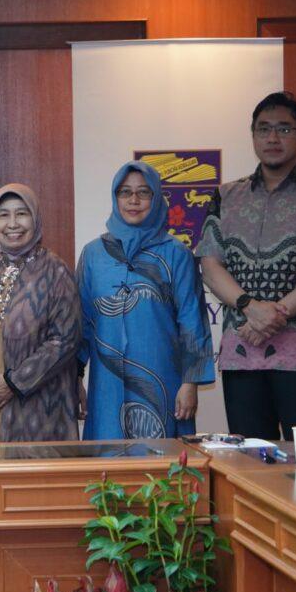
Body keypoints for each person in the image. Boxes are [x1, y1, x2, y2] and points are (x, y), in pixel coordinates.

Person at [197, 92, 296, 440]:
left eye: (284, 129)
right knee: (251, 462)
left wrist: (275, 313)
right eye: (263, 129)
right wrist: (249, 307)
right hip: (242, 352)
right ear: (252, 135)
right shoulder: (225, 196)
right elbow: (210, 265)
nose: (272, 138)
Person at [77, 161, 215, 440]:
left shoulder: (176, 253)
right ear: (115, 198)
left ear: (156, 197)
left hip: (163, 377)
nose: (134, 200)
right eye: (125, 192)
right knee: (108, 460)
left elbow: (191, 320)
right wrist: (75, 379)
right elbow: (81, 322)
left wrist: (190, 383)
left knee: (162, 464)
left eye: (143, 192)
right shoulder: (93, 254)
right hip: (107, 383)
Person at [0, 184, 81, 443]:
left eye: (22, 214)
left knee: (33, 481)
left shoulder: (55, 271)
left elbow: (65, 339)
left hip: (40, 406)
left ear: (35, 218)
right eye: (3, 215)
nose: (13, 223)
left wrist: (14, 382)